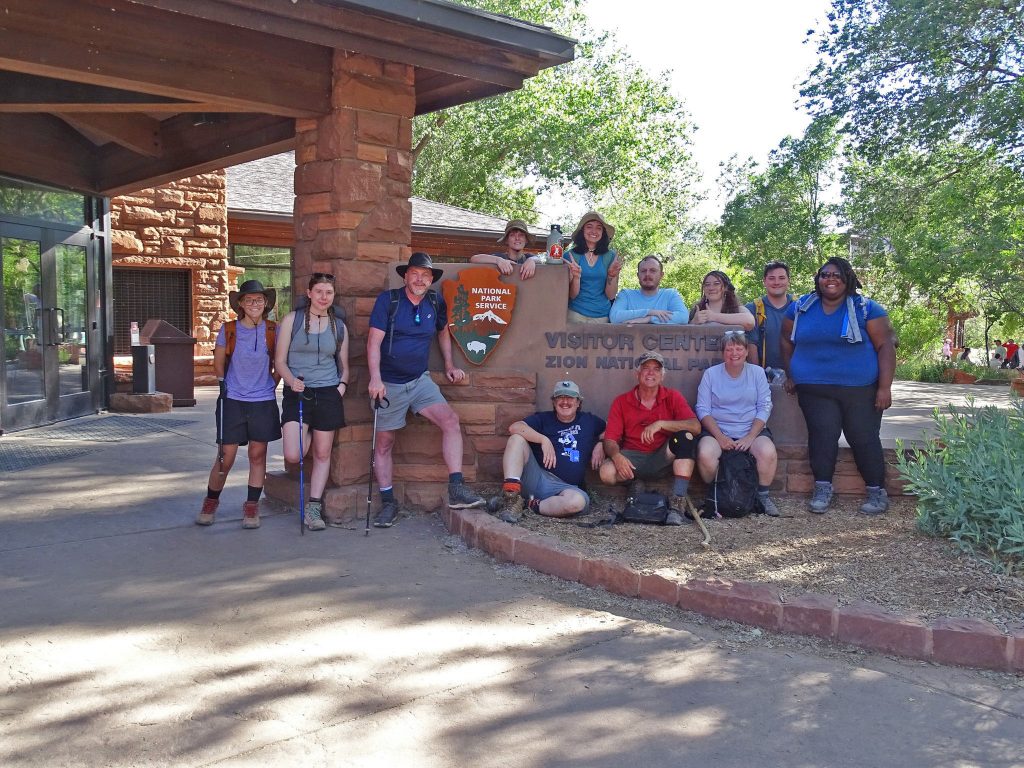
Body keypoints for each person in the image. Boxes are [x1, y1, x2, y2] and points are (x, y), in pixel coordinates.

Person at [367, 252, 484, 527]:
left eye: (425, 275)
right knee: (384, 443)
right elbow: (373, 342)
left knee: (451, 421)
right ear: (406, 275)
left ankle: (456, 490)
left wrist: (449, 365)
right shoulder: (389, 301)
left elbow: (443, 331)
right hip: (389, 383)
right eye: (415, 274)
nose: (420, 279)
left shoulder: (434, 300)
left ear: (431, 279)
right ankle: (388, 502)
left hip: (420, 381)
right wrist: (375, 378)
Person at [780, 257, 896, 516]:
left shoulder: (867, 309)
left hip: (860, 388)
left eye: (836, 275)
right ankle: (822, 489)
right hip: (814, 388)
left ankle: (877, 491)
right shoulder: (800, 308)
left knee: (863, 438)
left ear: (848, 278)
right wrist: (791, 374)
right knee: (822, 438)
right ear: (817, 279)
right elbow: (786, 342)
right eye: (825, 275)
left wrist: (884, 387)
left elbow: (885, 346)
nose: (830, 279)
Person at [197, 279, 282, 529]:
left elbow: (280, 360)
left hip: (262, 400)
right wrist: (224, 383)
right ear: (241, 304)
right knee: (226, 456)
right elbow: (219, 360)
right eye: (248, 300)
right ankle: (211, 501)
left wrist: (272, 383)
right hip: (233, 398)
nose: (254, 303)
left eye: (258, 300)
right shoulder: (229, 329)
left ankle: (252, 506)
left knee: (258, 454)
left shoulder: (272, 330)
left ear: (265, 303)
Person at [275, 273, 350, 532]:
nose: (323, 297)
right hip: (299, 390)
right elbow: (280, 361)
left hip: (329, 391)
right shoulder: (291, 321)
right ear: (308, 293)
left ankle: (314, 507)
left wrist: (341, 387)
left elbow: (344, 366)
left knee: (322, 453)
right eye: (319, 291)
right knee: (293, 454)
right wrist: (290, 379)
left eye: (328, 292)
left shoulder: (338, 326)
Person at [599, 351, 702, 524]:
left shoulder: (672, 396)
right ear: (637, 374)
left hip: (663, 457)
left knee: (686, 437)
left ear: (662, 376)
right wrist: (616, 457)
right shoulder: (621, 401)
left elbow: (696, 427)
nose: (650, 373)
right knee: (606, 472)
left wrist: (661, 424)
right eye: (646, 368)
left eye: (656, 369)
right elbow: (610, 439)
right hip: (633, 458)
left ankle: (678, 501)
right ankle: (634, 484)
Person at [494, 380, 606, 523]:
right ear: (554, 402)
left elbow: (611, 431)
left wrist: (601, 443)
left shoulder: (589, 421)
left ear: (578, 402)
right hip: (538, 478)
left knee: (576, 502)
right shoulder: (543, 419)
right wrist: (543, 439)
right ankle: (511, 497)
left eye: (570, 397)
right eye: (560, 397)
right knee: (516, 439)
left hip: (567, 488)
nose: (565, 402)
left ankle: (528, 504)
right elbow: (515, 427)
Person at [696, 330, 780, 517]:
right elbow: (703, 409)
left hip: (751, 429)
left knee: (767, 452)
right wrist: (720, 437)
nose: (734, 353)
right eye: (729, 349)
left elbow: (765, 406)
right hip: (718, 430)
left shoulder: (757, 373)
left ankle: (762, 497)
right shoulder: (711, 374)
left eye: (739, 348)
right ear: (723, 352)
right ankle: (716, 493)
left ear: (746, 351)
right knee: (705, 454)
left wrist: (750, 437)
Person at [564, 210, 622, 323]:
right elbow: (572, 295)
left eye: (599, 228)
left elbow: (610, 296)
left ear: (603, 232)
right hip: (575, 314)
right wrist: (576, 277)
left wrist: (611, 276)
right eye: (589, 227)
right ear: (582, 230)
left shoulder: (610, 257)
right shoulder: (570, 256)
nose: (594, 231)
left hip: (602, 316)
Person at [745, 261, 795, 382]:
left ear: (788, 280)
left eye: (781, 278)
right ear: (764, 282)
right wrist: (758, 378)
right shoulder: (754, 308)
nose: (777, 282)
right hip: (764, 378)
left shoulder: (799, 307)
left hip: (796, 378)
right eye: (772, 278)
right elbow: (752, 344)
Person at [608, 255, 689, 324]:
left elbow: (683, 317)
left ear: (661, 275)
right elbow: (615, 317)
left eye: (653, 271)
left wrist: (649, 319)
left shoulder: (671, 295)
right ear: (638, 275)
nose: (647, 274)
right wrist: (649, 312)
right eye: (643, 271)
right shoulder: (626, 294)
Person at [469, 219, 540, 280]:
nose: (517, 238)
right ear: (506, 240)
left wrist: (532, 261)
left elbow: (540, 259)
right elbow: (474, 259)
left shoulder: (528, 257)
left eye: (521, 235)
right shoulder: (499, 257)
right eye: (512, 235)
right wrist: (498, 260)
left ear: (526, 240)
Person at [688, 270, 755, 330]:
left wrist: (713, 316)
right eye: (707, 285)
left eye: (716, 284)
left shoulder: (737, 310)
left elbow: (750, 322)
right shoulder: (696, 311)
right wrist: (693, 322)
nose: (711, 288)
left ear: (726, 287)